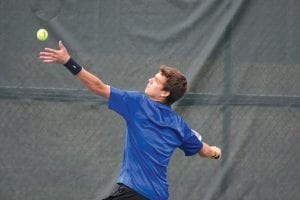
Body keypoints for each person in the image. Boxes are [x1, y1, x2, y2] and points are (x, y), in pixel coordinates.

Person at [39, 41, 222, 200]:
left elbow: (98, 87)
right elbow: (204, 150)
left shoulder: (137, 104)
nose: (150, 79)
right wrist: (215, 152)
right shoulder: (180, 127)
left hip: (134, 193)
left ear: (165, 92)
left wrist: (68, 62)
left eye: (156, 80)